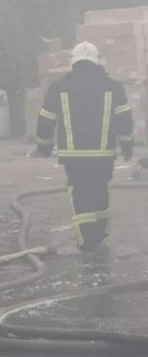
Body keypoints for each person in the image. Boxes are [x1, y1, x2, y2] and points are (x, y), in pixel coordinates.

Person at [36, 41, 134, 251]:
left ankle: (86, 241)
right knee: (100, 191)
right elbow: (124, 120)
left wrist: (44, 146)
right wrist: (127, 146)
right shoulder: (113, 87)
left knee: (80, 195)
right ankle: (98, 235)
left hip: (74, 157)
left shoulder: (59, 87)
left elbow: (45, 120)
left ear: (73, 61)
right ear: (97, 61)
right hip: (103, 155)